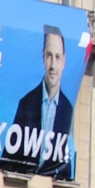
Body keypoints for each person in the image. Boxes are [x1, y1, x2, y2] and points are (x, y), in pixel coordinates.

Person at [10, 24, 76, 170]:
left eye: (57, 57)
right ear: (43, 57)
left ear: (64, 61)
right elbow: (9, 156)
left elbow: (68, 163)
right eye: (49, 56)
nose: (53, 65)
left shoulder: (68, 109)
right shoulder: (26, 103)